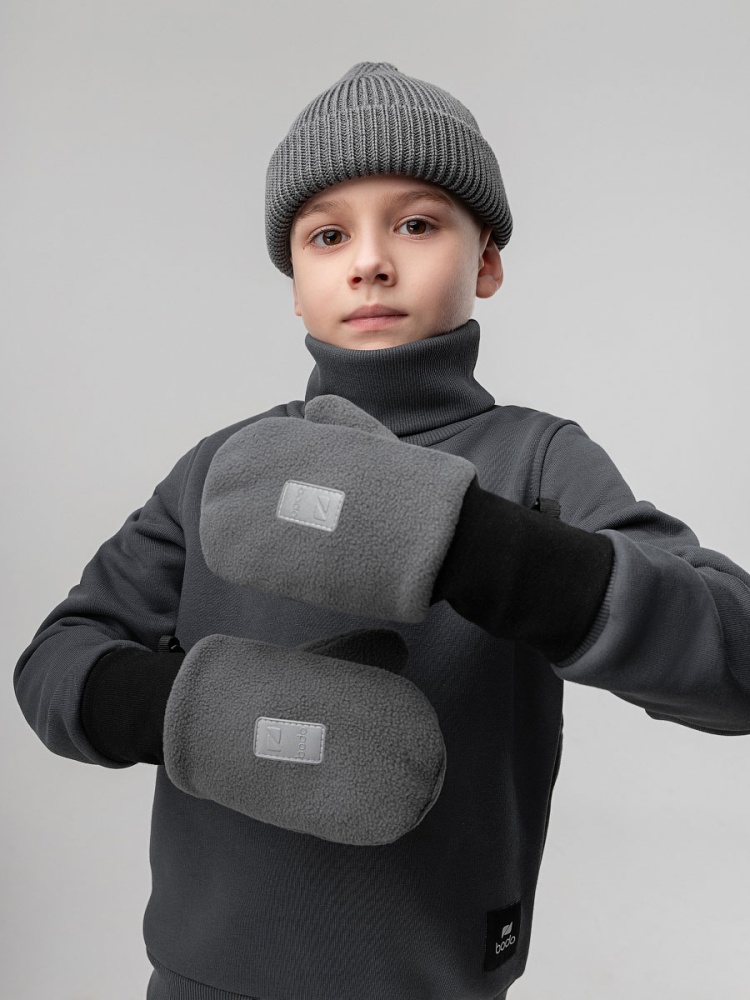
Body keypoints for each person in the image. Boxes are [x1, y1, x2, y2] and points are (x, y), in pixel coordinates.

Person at [13, 60, 750, 1000]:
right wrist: (186, 711)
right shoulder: (224, 470)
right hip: (197, 981)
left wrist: (480, 548)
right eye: (328, 235)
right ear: (294, 282)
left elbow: (736, 659)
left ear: (487, 260)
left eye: (416, 223)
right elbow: (55, 659)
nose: (369, 261)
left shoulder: (536, 463)